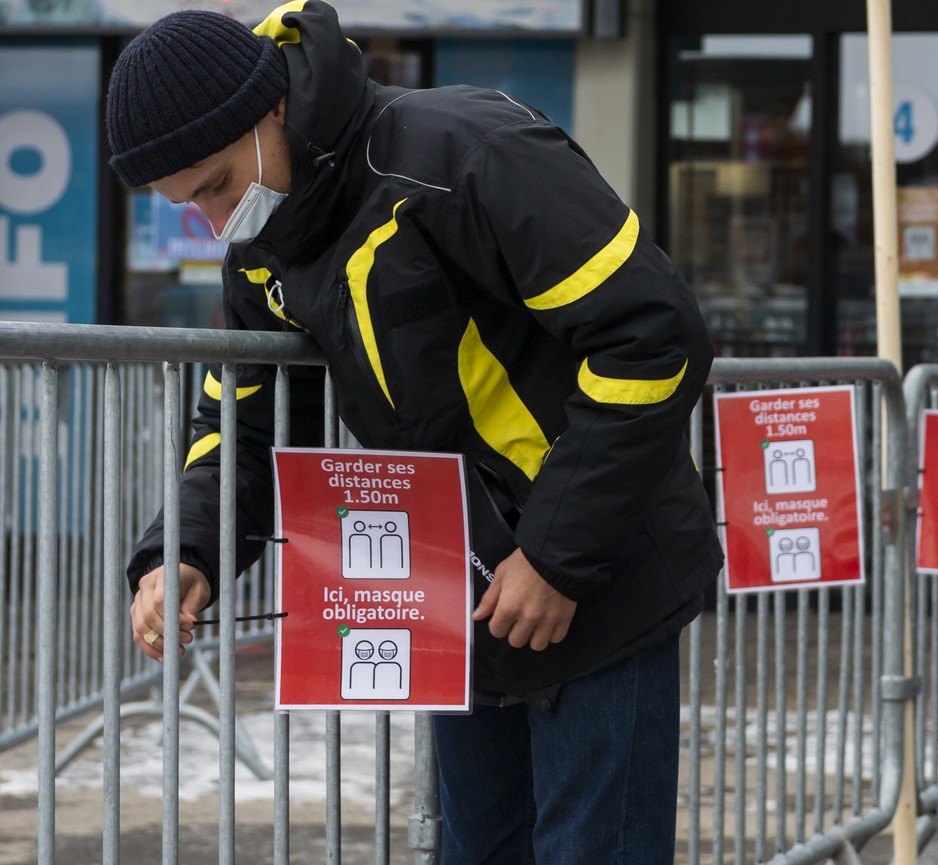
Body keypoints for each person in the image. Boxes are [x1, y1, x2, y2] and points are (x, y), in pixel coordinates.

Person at [105, 3, 722, 862]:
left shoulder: (463, 152)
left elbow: (654, 332)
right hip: (461, 598)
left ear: (271, 109)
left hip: (600, 576)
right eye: (188, 206)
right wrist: (186, 552)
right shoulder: (262, 247)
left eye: (214, 185)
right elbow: (245, 427)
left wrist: (555, 556)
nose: (215, 222)